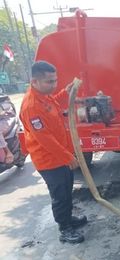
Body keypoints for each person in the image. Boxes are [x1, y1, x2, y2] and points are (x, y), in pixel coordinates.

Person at [19, 61, 87, 244]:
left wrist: (66, 91)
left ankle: (68, 218)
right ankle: (65, 229)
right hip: (50, 160)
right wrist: (68, 157)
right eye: (49, 82)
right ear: (34, 81)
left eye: (55, 80)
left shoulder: (45, 96)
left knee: (67, 189)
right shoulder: (31, 106)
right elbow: (45, 140)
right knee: (60, 195)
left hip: (61, 155)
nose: (54, 84)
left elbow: (53, 107)